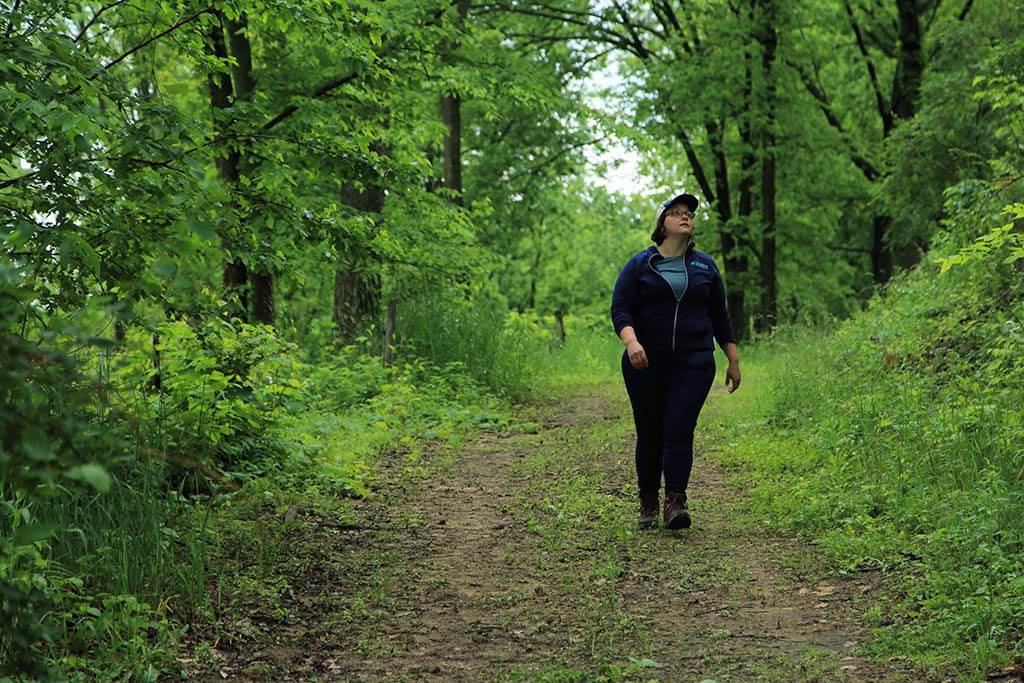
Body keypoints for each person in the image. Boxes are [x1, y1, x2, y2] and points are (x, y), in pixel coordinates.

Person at [610, 192, 741, 530]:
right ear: (662, 223)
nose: (686, 217)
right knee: (650, 431)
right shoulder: (640, 264)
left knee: (679, 427)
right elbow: (620, 308)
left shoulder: (705, 266)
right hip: (645, 361)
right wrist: (632, 341)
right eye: (677, 212)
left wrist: (733, 359)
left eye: (689, 214)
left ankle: (675, 502)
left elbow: (720, 316)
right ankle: (648, 502)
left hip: (694, 361)